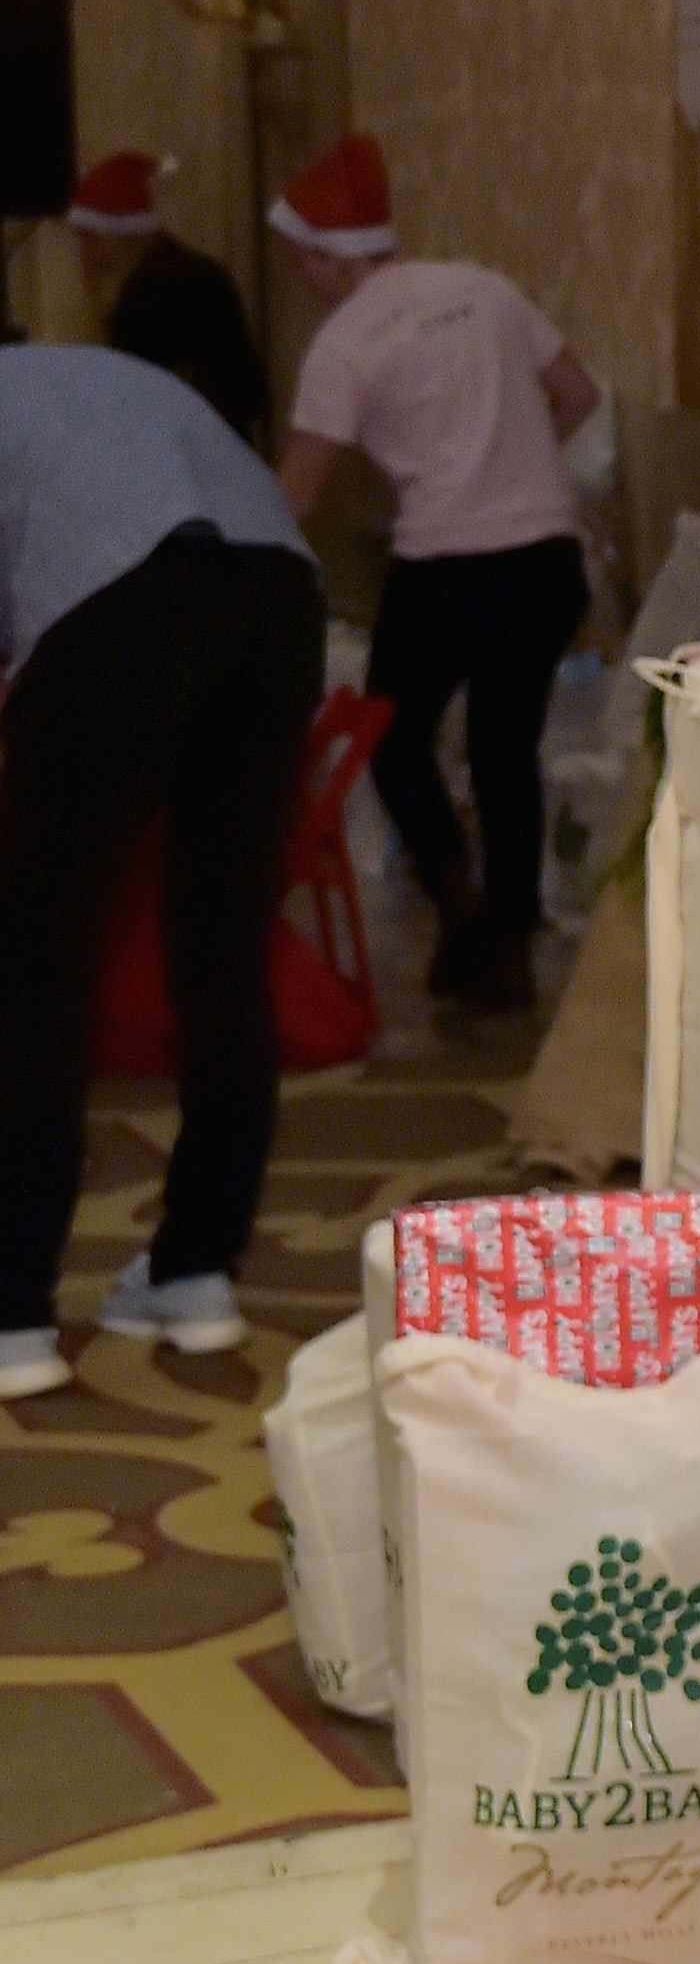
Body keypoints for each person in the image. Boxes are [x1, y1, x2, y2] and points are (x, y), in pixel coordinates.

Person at [0, 347, 325, 1398]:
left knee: (37, 969)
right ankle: (194, 1277)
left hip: (120, 611)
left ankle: (13, 1319)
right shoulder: (80, 378)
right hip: (279, 603)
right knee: (221, 957)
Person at [271, 131, 598, 1011]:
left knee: (394, 737)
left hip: (445, 570)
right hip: (545, 559)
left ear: (326, 260)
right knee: (505, 750)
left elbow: (296, 492)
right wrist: (513, 468)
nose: (300, 280)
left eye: (300, 262)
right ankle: (512, 944)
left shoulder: (344, 344)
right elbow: (577, 395)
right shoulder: (484, 289)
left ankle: (459, 906)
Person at [69, 150, 272, 449]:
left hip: (189, 451)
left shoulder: (150, 291)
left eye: (89, 236)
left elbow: (130, 393)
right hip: (227, 444)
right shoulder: (198, 270)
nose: (84, 251)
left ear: (121, 233)